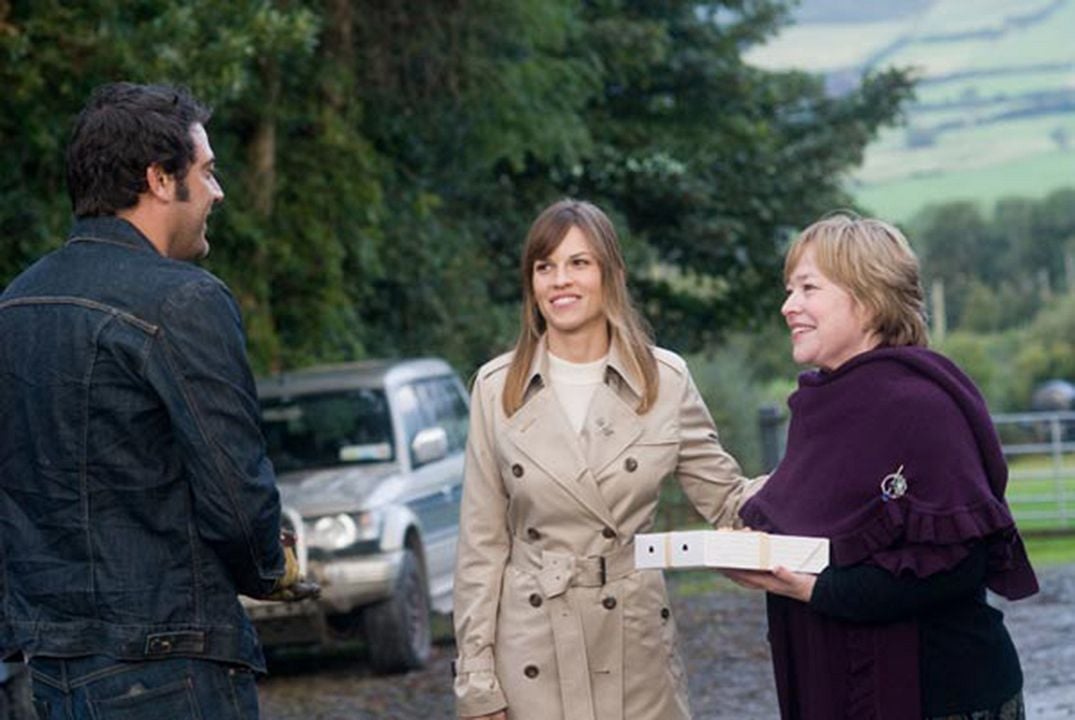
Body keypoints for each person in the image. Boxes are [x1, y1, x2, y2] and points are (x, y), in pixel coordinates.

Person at [0, 82, 306, 719]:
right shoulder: (184, 300)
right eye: (208, 171)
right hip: (170, 662)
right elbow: (233, 491)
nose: (218, 192)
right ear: (160, 179)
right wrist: (271, 567)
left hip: (50, 673)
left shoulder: (15, 306)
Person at [452, 198, 762, 720]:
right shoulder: (494, 389)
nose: (559, 281)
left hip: (635, 641)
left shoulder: (664, 381)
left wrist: (824, 487)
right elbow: (481, 548)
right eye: (544, 267)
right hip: (531, 643)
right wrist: (477, 681)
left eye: (579, 263)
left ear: (610, 274)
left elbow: (729, 499)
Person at [729, 213, 1039, 719]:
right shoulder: (818, 408)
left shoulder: (921, 405)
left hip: (942, 697)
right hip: (839, 687)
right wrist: (753, 550)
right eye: (789, 290)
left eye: (808, 288)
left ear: (868, 299)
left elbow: (957, 566)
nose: (789, 307)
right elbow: (826, 532)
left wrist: (814, 588)